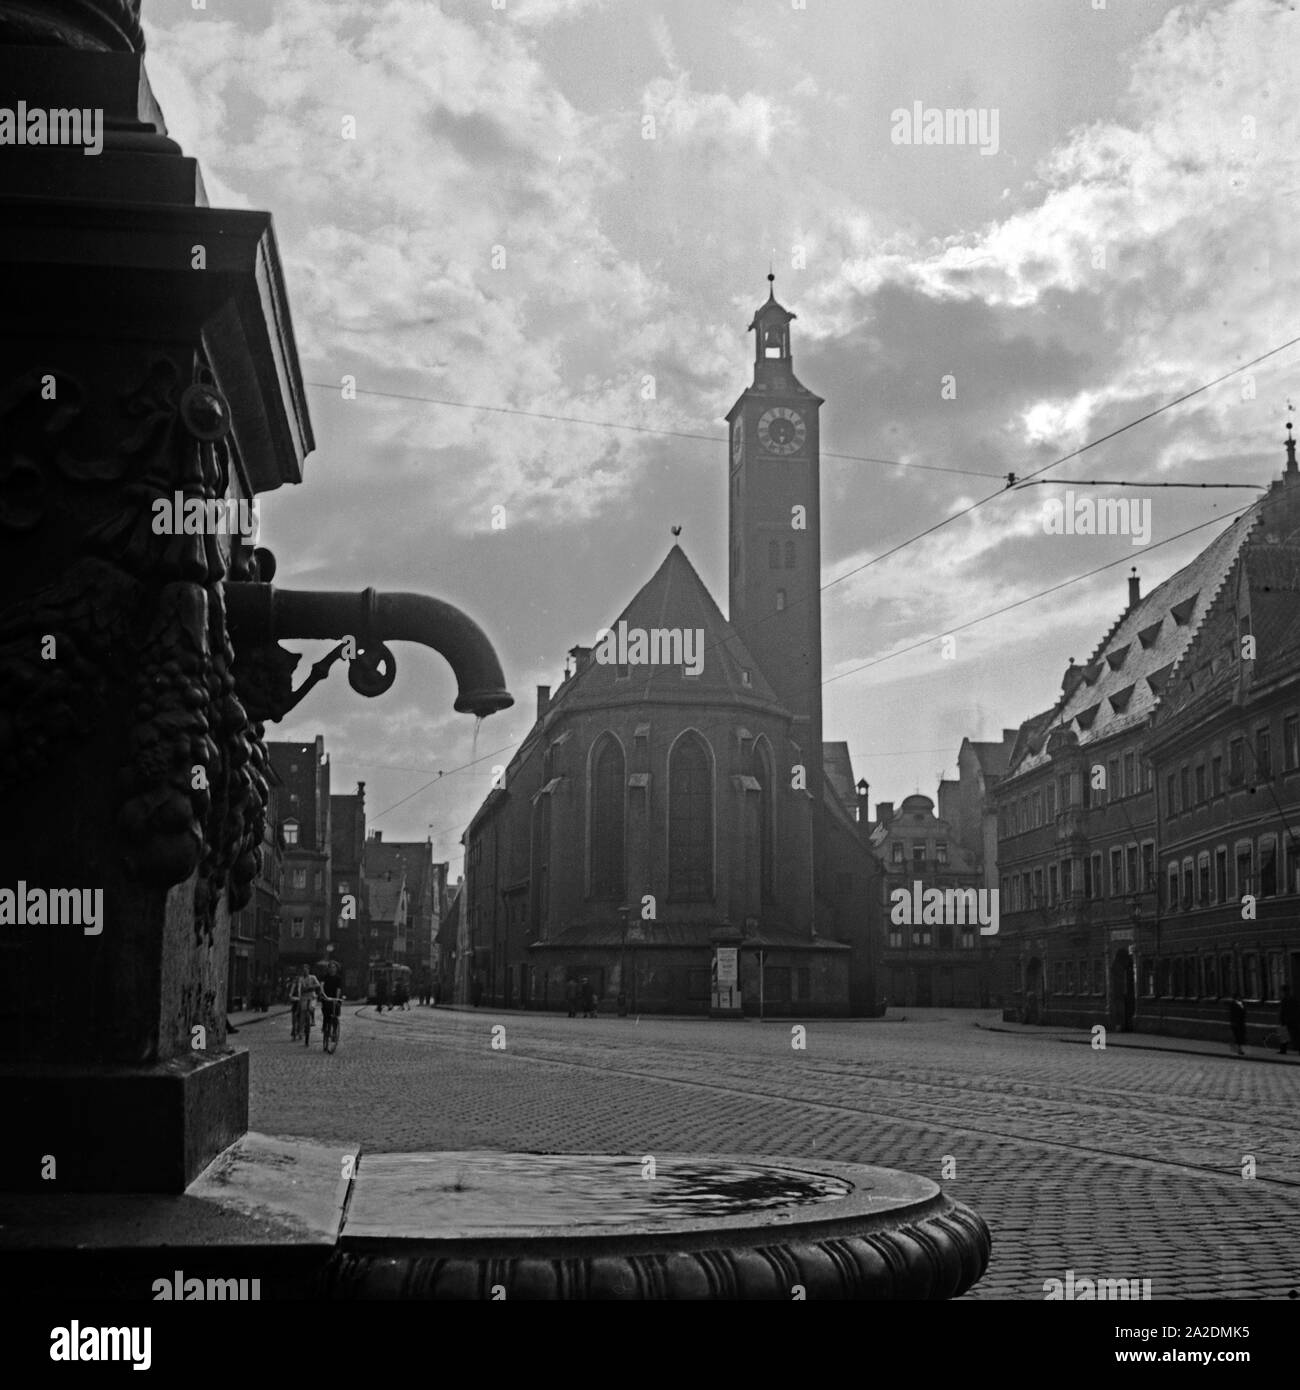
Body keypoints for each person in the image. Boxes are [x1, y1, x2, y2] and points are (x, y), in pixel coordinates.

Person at [319, 961, 344, 1047]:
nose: (332, 969)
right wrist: (323, 993)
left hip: (334, 998)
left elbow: (338, 989)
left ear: (336, 969)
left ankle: (334, 1032)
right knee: (326, 1014)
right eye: (330, 967)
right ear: (328, 969)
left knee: (335, 1015)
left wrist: (337, 999)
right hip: (326, 997)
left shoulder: (338, 978)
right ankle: (325, 1027)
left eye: (334, 967)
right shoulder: (325, 977)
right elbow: (322, 985)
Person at [299, 966, 321, 1046]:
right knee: (303, 1013)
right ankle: (301, 1030)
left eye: (306, 970)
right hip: (304, 997)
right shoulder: (301, 979)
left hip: (312, 996)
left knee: (311, 1007)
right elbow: (299, 988)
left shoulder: (313, 977)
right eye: (303, 970)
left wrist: (311, 987)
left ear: (309, 970)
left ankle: (312, 1019)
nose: (305, 972)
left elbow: (318, 984)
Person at [1277, 985, 1300, 1055]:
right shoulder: (1293, 999)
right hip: (1294, 1019)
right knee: (1296, 1035)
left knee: (1284, 1035)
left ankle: (1283, 1050)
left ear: (1283, 991)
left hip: (1286, 1020)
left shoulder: (1284, 999)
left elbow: (1282, 1011)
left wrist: (1281, 1019)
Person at [289, 965, 306, 1040]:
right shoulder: (295, 981)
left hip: (302, 1000)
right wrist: (291, 995)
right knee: (294, 1016)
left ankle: (300, 1031)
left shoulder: (304, 981)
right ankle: (294, 1030)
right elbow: (292, 989)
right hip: (296, 1000)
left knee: (302, 1016)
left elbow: (306, 990)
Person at [1227, 992, 1246, 1057]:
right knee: (1237, 1037)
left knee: (1240, 1036)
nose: (1240, 998)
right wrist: (1233, 1022)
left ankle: (1238, 1049)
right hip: (1236, 1023)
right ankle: (1239, 1050)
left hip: (1241, 1023)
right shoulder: (1233, 1004)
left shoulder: (1242, 1003)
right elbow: (1232, 1014)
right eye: (1238, 997)